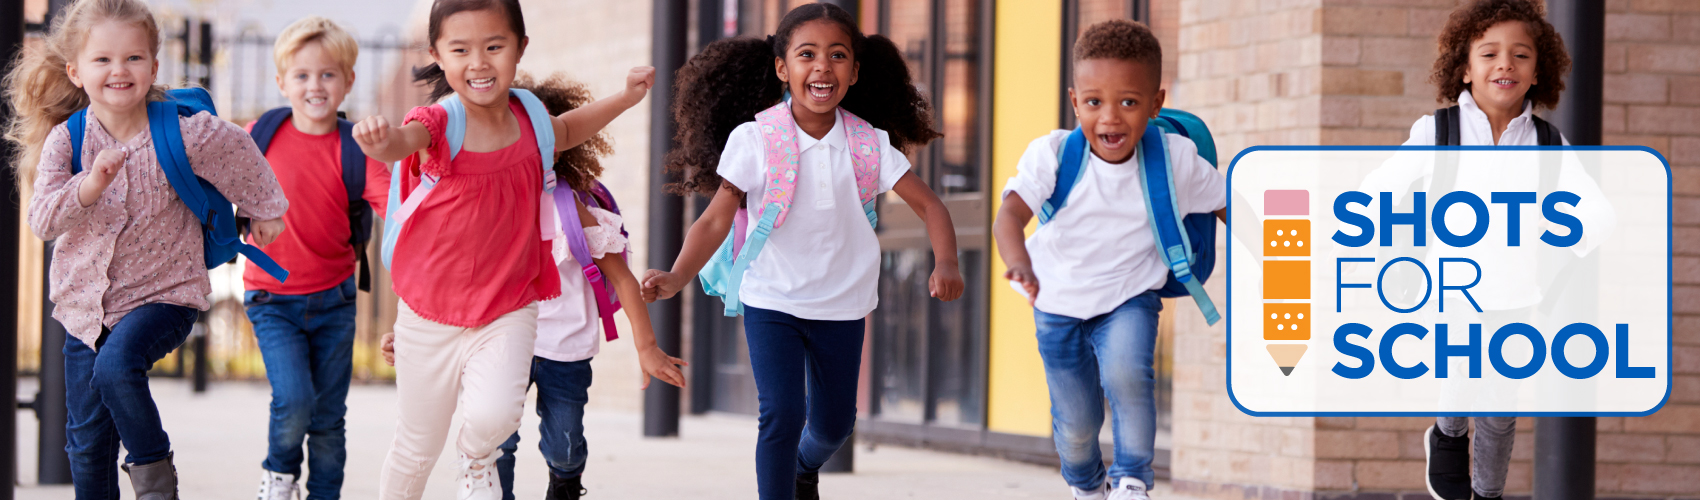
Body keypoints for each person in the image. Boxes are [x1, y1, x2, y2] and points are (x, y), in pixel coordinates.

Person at [639, 4, 964, 499]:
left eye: (837, 56)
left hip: (842, 302)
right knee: (782, 413)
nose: (822, 66)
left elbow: (931, 206)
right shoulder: (755, 139)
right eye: (806, 54)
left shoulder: (869, 145)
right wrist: (678, 276)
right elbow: (714, 219)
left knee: (834, 425)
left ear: (854, 72)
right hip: (772, 299)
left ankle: (803, 467)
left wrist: (946, 262)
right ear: (782, 67)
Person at [349, 0, 666, 498]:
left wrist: (625, 98)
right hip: (430, 311)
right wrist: (379, 141)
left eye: (494, 46)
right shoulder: (438, 123)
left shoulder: (534, 117)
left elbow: (569, 129)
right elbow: (401, 143)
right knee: (417, 445)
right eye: (460, 50)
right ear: (438, 54)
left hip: (508, 303)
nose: (478, 62)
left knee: (495, 416)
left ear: (520, 48)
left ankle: (476, 459)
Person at [3, 0, 288, 498]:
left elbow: (240, 151)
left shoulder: (182, 131)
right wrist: (88, 186)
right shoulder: (66, 141)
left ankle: (156, 481)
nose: (119, 70)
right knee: (87, 445)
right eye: (103, 60)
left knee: (117, 367)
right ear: (76, 71)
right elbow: (42, 220)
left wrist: (267, 210)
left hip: (164, 295)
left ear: (154, 67)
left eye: (133, 58)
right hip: (85, 309)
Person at [992, 19, 1226, 500]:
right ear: (1075, 101)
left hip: (1129, 296)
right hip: (1056, 302)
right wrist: (1019, 263)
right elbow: (1008, 217)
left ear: (1156, 104)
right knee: (1076, 425)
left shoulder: (1175, 158)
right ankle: (1086, 486)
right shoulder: (1054, 154)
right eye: (1095, 102)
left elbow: (1230, 205)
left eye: (1129, 102)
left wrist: (1280, 255)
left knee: (1128, 376)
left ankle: (1132, 479)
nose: (1111, 118)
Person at [242, 16, 391, 500]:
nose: (315, 86)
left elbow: (399, 210)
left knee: (328, 418)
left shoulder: (357, 150)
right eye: (302, 75)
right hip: (271, 298)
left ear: (348, 82)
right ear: (282, 81)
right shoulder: (257, 137)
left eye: (328, 74)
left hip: (334, 299)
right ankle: (278, 479)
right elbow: (211, 185)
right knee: (294, 400)